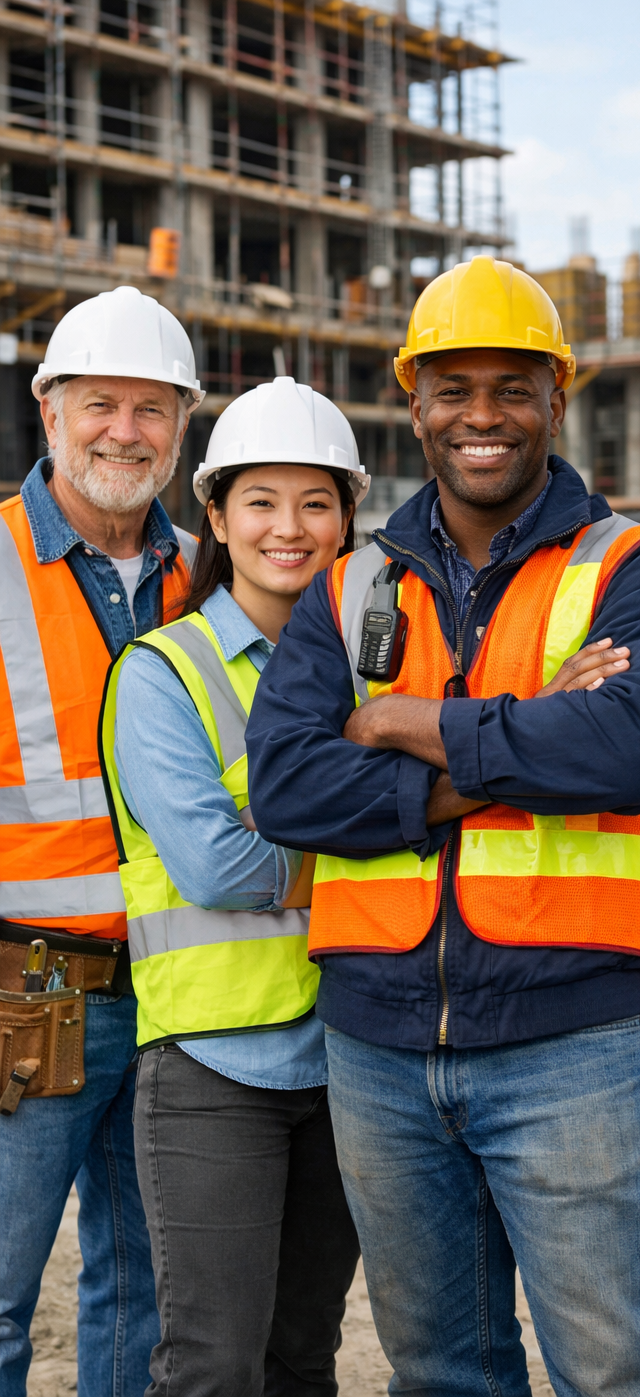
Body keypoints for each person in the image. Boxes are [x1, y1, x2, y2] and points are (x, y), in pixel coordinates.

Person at [246, 257, 640, 1397]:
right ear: (414, 405)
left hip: (575, 1042)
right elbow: (288, 790)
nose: (481, 416)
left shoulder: (633, 568)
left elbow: (622, 753)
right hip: (378, 1050)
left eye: (511, 388)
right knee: (441, 1375)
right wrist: (519, 739)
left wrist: (402, 722)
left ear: (557, 398)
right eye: (453, 389)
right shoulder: (352, 586)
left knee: (620, 1374)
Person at [99, 374, 366, 1396]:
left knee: (304, 1358)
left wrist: (294, 838)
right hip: (215, 1069)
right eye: (260, 501)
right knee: (213, 1365)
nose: (288, 529)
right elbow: (216, 866)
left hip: (348, 1059)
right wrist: (367, 842)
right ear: (214, 516)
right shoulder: (164, 672)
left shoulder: (378, 669)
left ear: (346, 518)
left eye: (314, 503)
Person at [0, 286, 199, 1397]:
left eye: (151, 408)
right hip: (27, 987)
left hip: (180, 990)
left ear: (183, 424)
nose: (125, 431)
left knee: (147, 1294)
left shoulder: (209, 572)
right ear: (49, 411)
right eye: (99, 405)